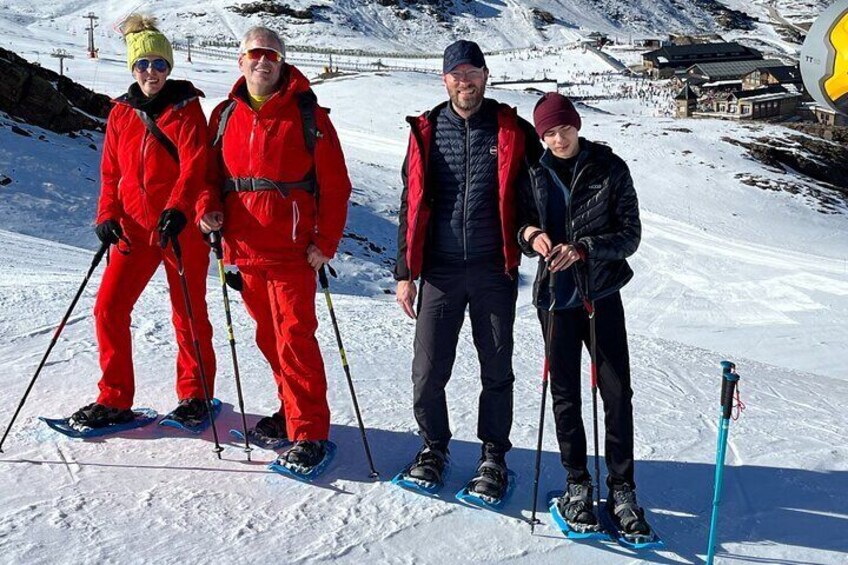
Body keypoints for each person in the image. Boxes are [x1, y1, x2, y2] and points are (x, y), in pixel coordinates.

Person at [199, 26, 352, 472]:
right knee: (269, 338)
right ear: (240, 61)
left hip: (292, 252)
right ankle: (290, 412)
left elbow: (336, 186)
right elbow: (209, 178)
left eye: (272, 55)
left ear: (281, 63)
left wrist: (326, 242)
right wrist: (206, 206)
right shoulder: (225, 115)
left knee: (295, 340)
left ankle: (310, 433)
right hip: (244, 250)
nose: (263, 61)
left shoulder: (309, 115)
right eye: (255, 54)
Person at [395, 40, 540, 500]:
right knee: (428, 368)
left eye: (472, 71)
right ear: (444, 79)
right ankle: (433, 447)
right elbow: (410, 204)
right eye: (456, 73)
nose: (465, 80)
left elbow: (539, 192)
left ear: (485, 74)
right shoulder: (427, 129)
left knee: (496, 367)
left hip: (493, 270)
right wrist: (405, 272)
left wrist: (538, 235)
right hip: (439, 271)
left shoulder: (512, 128)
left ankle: (493, 456)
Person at [69, 14, 216, 430]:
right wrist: (107, 214)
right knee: (108, 308)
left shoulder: (186, 110)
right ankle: (114, 399)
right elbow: (111, 172)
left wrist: (179, 208)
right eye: (143, 64)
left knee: (187, 313)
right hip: (133, 228)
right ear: (132, 68)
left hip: (179, 228)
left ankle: (195, 396)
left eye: (159, 64)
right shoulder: (121, 113)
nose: (152, 72)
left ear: (170, 68)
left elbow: (195, 167)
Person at [518, 92, 651, 537]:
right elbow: (520, 222)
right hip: (554, 298)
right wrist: (532, 234)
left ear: (577, 125)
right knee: (566, 396)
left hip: (602, 293)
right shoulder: (533, 171)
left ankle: (622, 488)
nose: (558, 138)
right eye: (549, 132)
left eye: (564, 128)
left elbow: (629, 235)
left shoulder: (609, 169)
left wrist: (584, 249)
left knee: (616, 393)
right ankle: (577, 483)